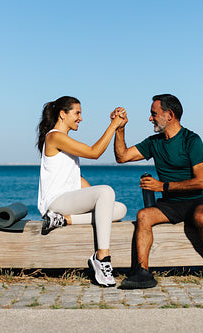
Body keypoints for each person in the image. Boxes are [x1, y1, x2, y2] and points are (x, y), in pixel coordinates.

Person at [113, 94, 203, 288]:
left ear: (169, 115)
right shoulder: (154, 142)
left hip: (199, 199)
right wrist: (120, 128)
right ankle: (143, 272)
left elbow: (201, 182)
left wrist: (162, 186)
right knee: (144, 216)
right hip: (172, 203)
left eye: (154, 114)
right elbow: (122, 157)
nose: (150, 118)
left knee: (202, 217)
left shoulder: (192, 140)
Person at [37, 96, 128, 287]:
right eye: (77, 113)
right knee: (106, 191)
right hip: (56, 202)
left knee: (119, 209)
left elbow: (76, 181)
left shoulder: (65, 142)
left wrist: (100, 201)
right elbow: (94, 152)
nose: (80, 118)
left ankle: (63, 220)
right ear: (63, 114)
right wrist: (113, 125)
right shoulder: (54, 136)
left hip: (66, 202)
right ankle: (102, 258)